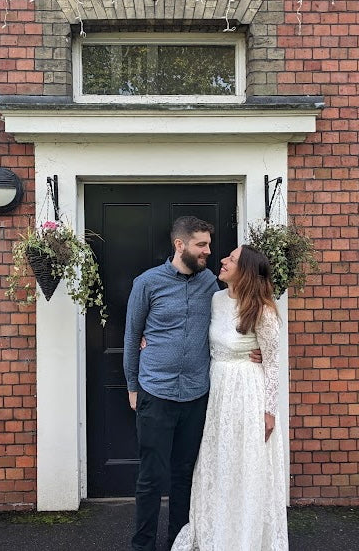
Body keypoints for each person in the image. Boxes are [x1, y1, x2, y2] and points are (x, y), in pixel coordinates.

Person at [171, 244, 288, 551]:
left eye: (232, 259)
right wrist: (151, 338)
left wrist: (269, 411)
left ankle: (245, 537)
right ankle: (215, 530)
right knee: (218, 461)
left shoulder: (263, 310)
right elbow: (192, 330)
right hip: (217, 391)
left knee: (245, 465)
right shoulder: (216, 299)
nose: (222, 260)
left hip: (248, 394)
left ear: (245, 271)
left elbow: (274, 363)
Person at [124, 216, 218, 551]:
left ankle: (180, 542)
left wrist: (253, 350)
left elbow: (232, 321)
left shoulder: (211, 283)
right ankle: (143, 545)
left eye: (208, 244)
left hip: (196, 394)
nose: (208, 251)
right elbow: (132, 335)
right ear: (180, 245)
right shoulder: (147, 283)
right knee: (151, 478)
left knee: (185, 477)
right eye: (201, 245)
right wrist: (133, 387)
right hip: (156, 393)